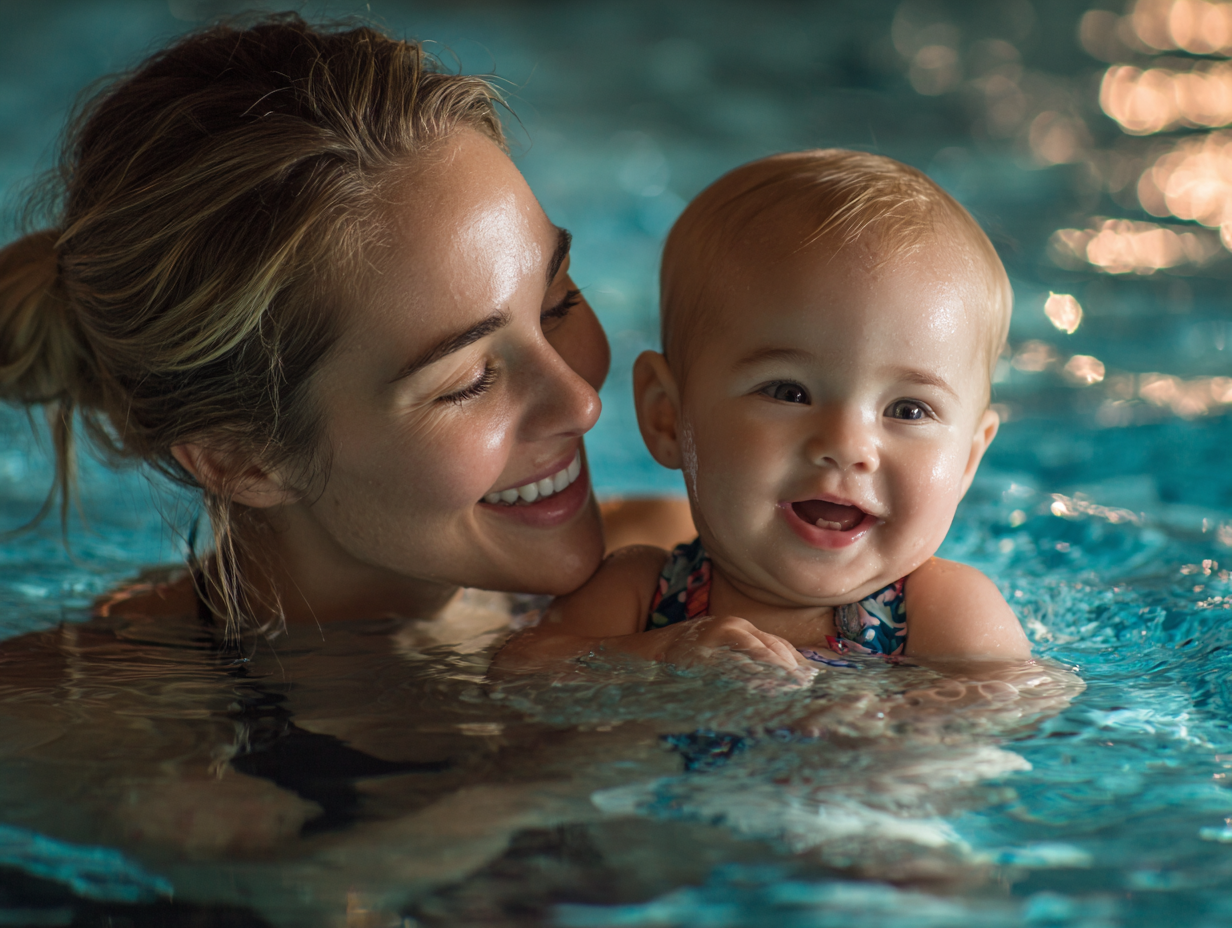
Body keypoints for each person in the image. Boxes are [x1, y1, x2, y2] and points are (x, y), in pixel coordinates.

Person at [0, 14, 691, 644]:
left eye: (557, 304)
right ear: (244, 459)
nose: (583, 403)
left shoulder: (690, 578)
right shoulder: (93, 719)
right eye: (468, 381)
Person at [498, 149, 1035, 671]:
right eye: (788, 392)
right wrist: (658, 656)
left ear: (968, 460)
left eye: (909, 410)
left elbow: (1006, 714)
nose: (847, 445)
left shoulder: (943, 610)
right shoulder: (642, 593)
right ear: (668, 418)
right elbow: (521, 670)